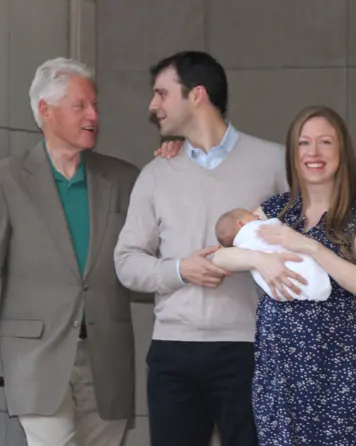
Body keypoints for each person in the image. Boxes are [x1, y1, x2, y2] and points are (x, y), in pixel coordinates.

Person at [0, 58, 139, 446]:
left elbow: (145, 262)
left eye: (95, 105)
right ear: (45, 110)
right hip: (37, 357)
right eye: (80, 105)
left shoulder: (124, 179)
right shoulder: (5, 179)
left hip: (108, 358)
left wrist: (180, 160)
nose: (94, 115)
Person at [113, 51, 290, 446]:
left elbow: (308, 243)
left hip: (253, 350)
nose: (152, 105)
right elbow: (126, 262)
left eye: (161, 93)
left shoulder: (276, 162)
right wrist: (179, 270)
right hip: (173, 353)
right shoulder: (156, 173)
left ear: (196, 95)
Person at [208, 105, 356, 445]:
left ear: (342, 151)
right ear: (293, 153)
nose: (314, 153)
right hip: (280, 364)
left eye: (325, 142)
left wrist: (309, 246)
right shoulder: (275, 209)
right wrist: (259, 261)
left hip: (340, 362)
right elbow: (220, 257)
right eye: (304, 143)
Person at [215, 208, 332, 301]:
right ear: (241, 224)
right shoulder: (255, 228)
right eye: (253, 216)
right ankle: (317, 287)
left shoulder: (239, 247)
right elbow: (275, 225)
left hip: (279, 294)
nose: (258, 217)